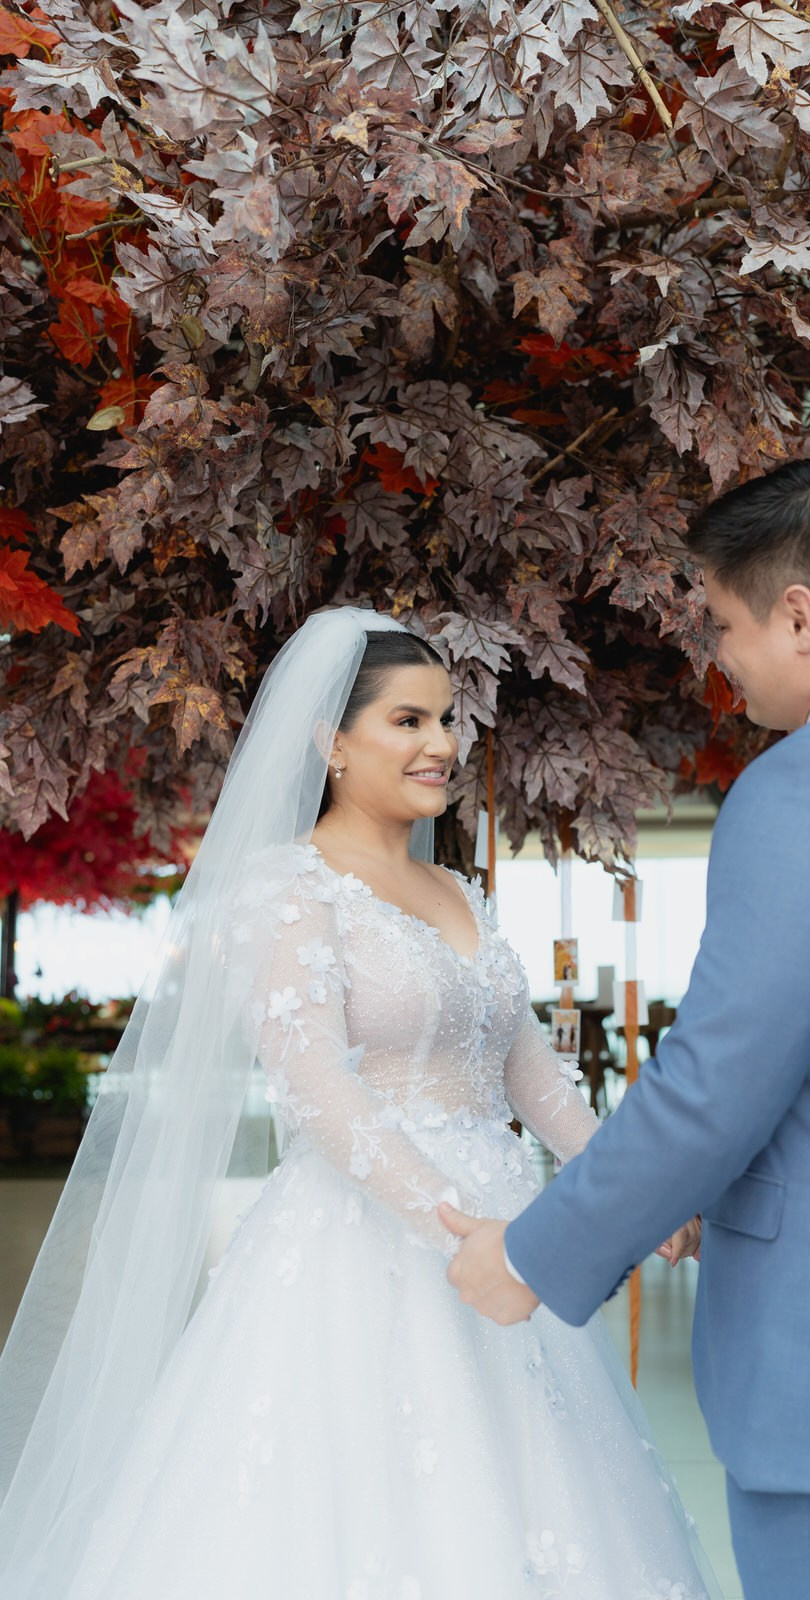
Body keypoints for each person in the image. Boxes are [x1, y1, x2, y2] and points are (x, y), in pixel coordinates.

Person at [0, 608, 720, 1600]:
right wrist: (454, 1225)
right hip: (364, 1234)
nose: (441, 744)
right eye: (408, 721)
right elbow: (319, 1091)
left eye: (447, 721)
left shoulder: (461, 892)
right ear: (330, 744)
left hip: (507, 1230)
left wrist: (631, 1200)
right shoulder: (285, 888)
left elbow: (536, 1082)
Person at [444, 460, 810, 1600]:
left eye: (723, 623)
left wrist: (534, 1253)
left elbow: (719, 1080)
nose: (718, 659)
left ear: (800, 615)